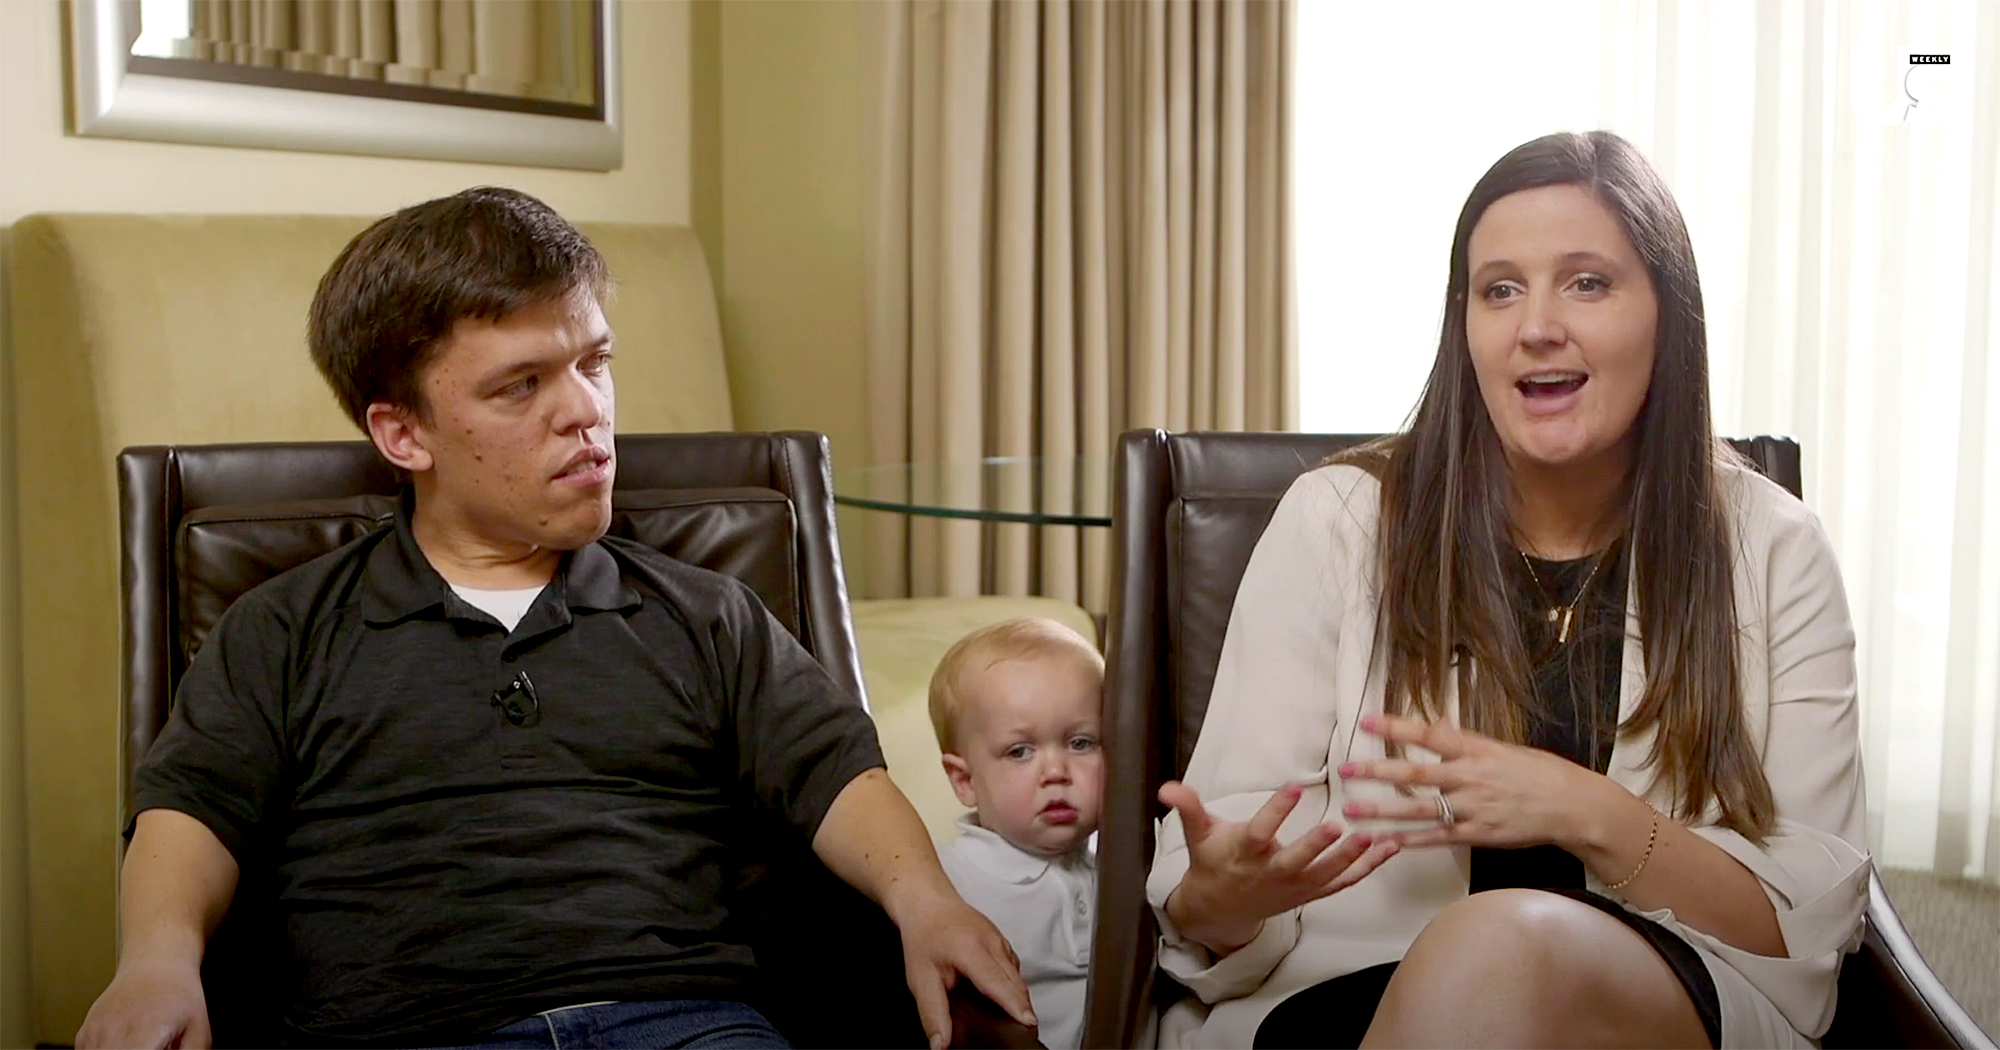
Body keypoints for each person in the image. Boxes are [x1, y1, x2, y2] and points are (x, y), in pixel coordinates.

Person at [74, 187, 1034, 1050]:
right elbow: (190, 811)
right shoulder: (282, 630)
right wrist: (154, 960)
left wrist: (930, 905)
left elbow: (838, 777)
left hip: (685, 1024)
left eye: (595, 362)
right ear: (403, 433)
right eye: (522, 384)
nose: (589, 413)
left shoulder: (704, 614)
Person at [1146, 131, 1870, 1049]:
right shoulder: (1336, 520)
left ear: (1668, 315)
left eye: (1587, 282)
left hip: (1654, 1004)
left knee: (1501, 945)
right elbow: (1203, 910)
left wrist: (1587, 812)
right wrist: (1232, 895)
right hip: (1356, 995)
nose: (1536, 325)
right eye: (1500, 289)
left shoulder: (1776, 548)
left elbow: (1798, 931)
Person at [928, 618, 1105, 1050]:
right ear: (965, 781)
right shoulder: (943, 881)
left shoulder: (1134, 860)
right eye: (1019, 751)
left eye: (1080, 743)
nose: (1056, 772)